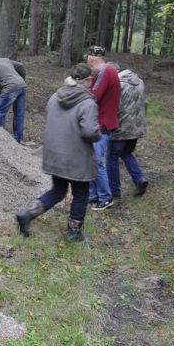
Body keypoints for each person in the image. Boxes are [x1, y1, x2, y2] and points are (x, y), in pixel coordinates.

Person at [16, 63, 101, 242]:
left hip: (54, 152)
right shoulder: (88, 102)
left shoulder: (56, 96)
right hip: (77, 157)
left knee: (58, 190)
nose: (92, 83)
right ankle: (73, 233)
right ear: (86, 81)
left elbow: (50, 117)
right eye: (91, 80)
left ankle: (28, 214)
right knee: (81, 194)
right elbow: (89, 132)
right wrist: (98, 132)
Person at [84, 46, 121, 211]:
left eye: (87, 60)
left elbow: (93, 96)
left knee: (96, 160)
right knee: (92, 159)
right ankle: (93, 195)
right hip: (103, 121)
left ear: (91, 59)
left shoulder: (105, 72)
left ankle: (105, 197)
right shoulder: (108, 71)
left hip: (102, 123)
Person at [108, 62, 148, 198]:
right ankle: (139, 179)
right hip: (137, 128)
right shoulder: (140, 82)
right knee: (126, 152)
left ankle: (114, 191)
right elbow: (145, 104)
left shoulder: (118, 85)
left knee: (112, 156)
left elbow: (114, 108)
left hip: (121, 128)